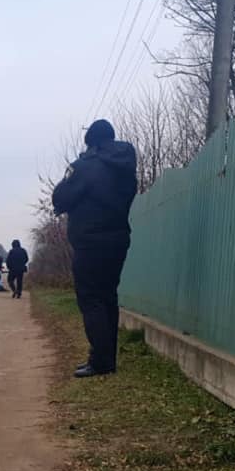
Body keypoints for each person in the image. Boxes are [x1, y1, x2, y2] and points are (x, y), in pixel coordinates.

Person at [52, 119, 137, 378]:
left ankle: (99, 360)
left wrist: (77, 168)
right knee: (108, 297)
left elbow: (61, 198)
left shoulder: (86, 166)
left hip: (90, 241)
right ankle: (107, 359)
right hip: (118, 238)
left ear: (91, 141)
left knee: (91, 299)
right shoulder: (125, 164)